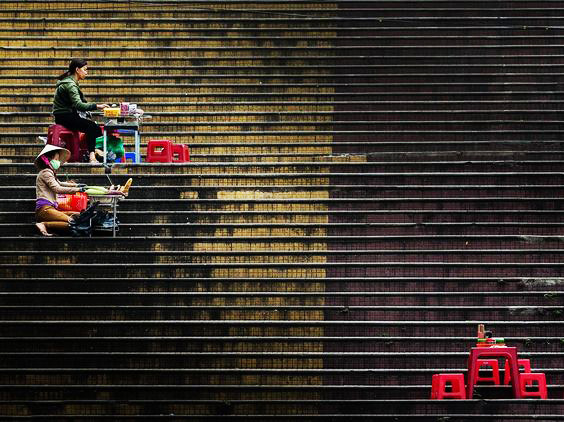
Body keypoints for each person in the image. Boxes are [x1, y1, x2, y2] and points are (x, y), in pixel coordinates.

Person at [52, 58, 109, 163]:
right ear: (77, 70)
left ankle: (93, 152)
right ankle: (92, 155)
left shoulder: (70, 82)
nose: (86, 72)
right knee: (91, 127)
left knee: (96, 128)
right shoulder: (70, 85)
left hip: (65, 115)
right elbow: (79, 105)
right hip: (65, 116)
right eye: (85, 69)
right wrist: (97, 106)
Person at [35, 144, 86, 236]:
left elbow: (60, 183)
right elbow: (57, 188)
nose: (58, 162)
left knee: (77, 216)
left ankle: (46, 225)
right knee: (72, 221)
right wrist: (77, 189)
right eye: (56, 159)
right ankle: (43, 224)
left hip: (50, 209)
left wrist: (76, 185)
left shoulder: (50, 173)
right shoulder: (46, 173)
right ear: (48, 160)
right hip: (45, 210)